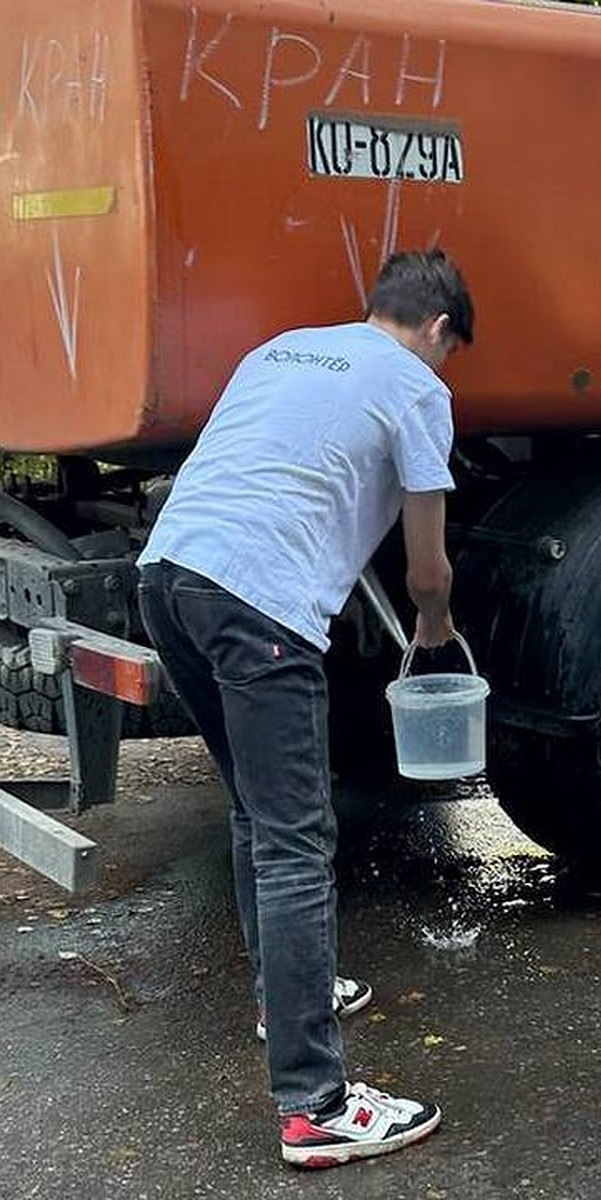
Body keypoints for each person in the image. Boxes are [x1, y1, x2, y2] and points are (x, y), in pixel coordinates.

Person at [136, 250, 474, 1166]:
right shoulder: (416, 386)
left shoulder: (284, 349)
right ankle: (315, 1107)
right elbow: (426, 563)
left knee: (254, 808)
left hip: (168, 579)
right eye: (450, 351)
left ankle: (280, 995)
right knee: (295, 838)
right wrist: (434, 624)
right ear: (438, 329)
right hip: (261, 607)